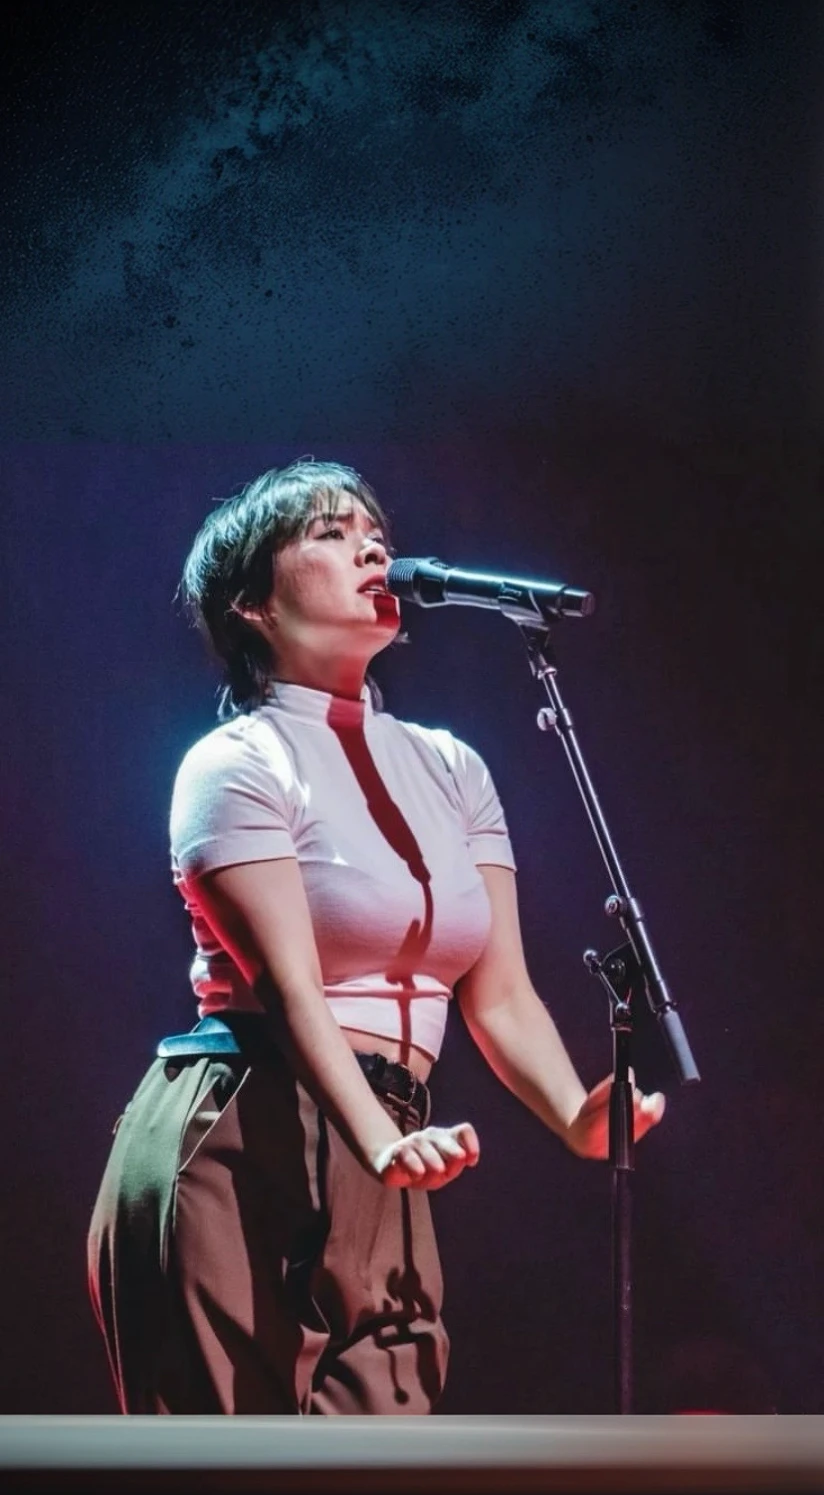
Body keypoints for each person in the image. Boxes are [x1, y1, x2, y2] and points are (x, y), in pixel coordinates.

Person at [87, 457, 665, 1415]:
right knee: (227, 1480)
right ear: (251, 607)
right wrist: (376, 1140)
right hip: (243, 1120)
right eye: (326, 532)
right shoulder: (235, 761)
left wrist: (575, 1114)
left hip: (395, 1130)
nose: (371, 545)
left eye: (374, 530)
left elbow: (500, 989)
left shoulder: (449, 765)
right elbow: (291, 988)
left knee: (381, 1453)